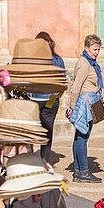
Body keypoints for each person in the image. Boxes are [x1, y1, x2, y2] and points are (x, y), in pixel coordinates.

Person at [63, 34, 104, 183]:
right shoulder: (84, 63)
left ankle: (79, 171)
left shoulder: (91, 62)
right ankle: (83, 171)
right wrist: (72, 106)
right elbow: (76, 87)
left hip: (91, 102)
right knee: (82, 138)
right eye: (94, 49)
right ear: (87, 48)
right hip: (85, 104)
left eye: (98, 49)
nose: (97, 52)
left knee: (80, 137)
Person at [30, 32, 67, 161]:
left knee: (29, 128)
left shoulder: (33, 60)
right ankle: (45, 160)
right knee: (48, 129)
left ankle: (27, 157)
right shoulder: (58, 60)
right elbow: (62, 80)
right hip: (51, 98)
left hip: (35, 98)